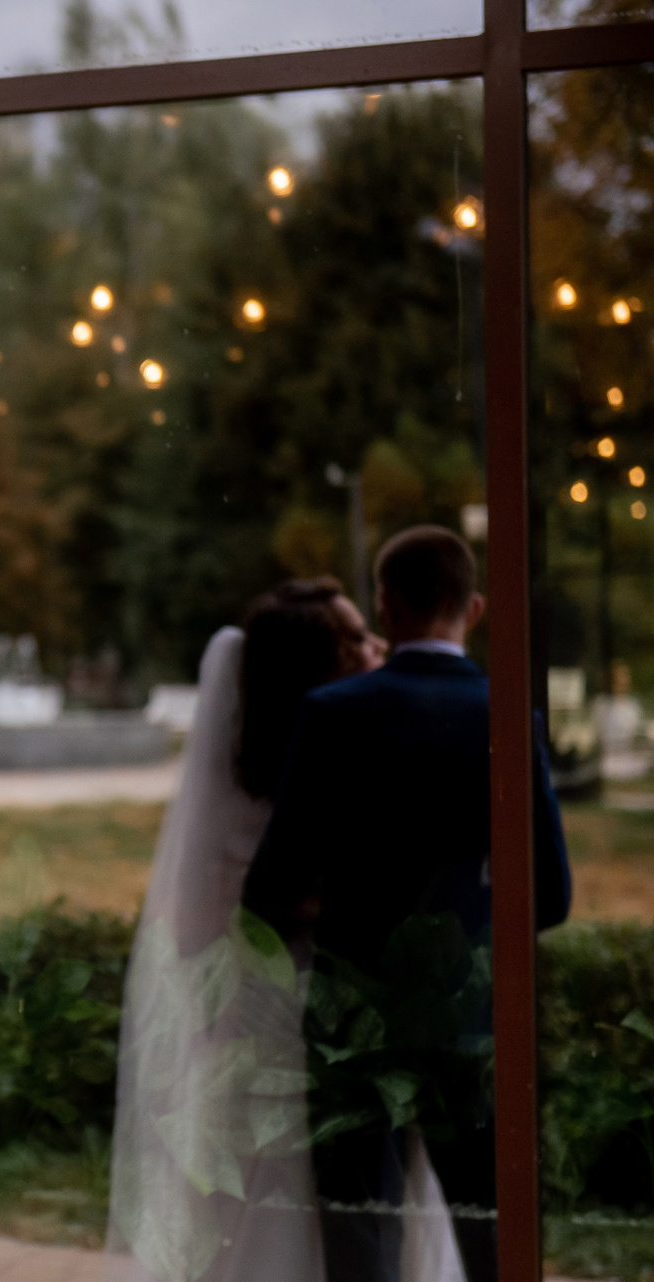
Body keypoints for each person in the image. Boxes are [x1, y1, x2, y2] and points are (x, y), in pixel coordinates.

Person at [242, 526, 573, 1282]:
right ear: (474, 608)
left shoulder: (332, 712)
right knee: (493, 1239)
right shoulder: (507, 716)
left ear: (385, 603)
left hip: (353, 1026)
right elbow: (550, 897)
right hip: (473, 1022)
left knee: (361, 1238)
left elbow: (268, 891)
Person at [107, 578, 389, 1282]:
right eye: (356, 638)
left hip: (256, 1015)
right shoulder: (294, 785)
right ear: (318, 662)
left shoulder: (247, 775)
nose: (377, 647)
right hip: (294, 1016)